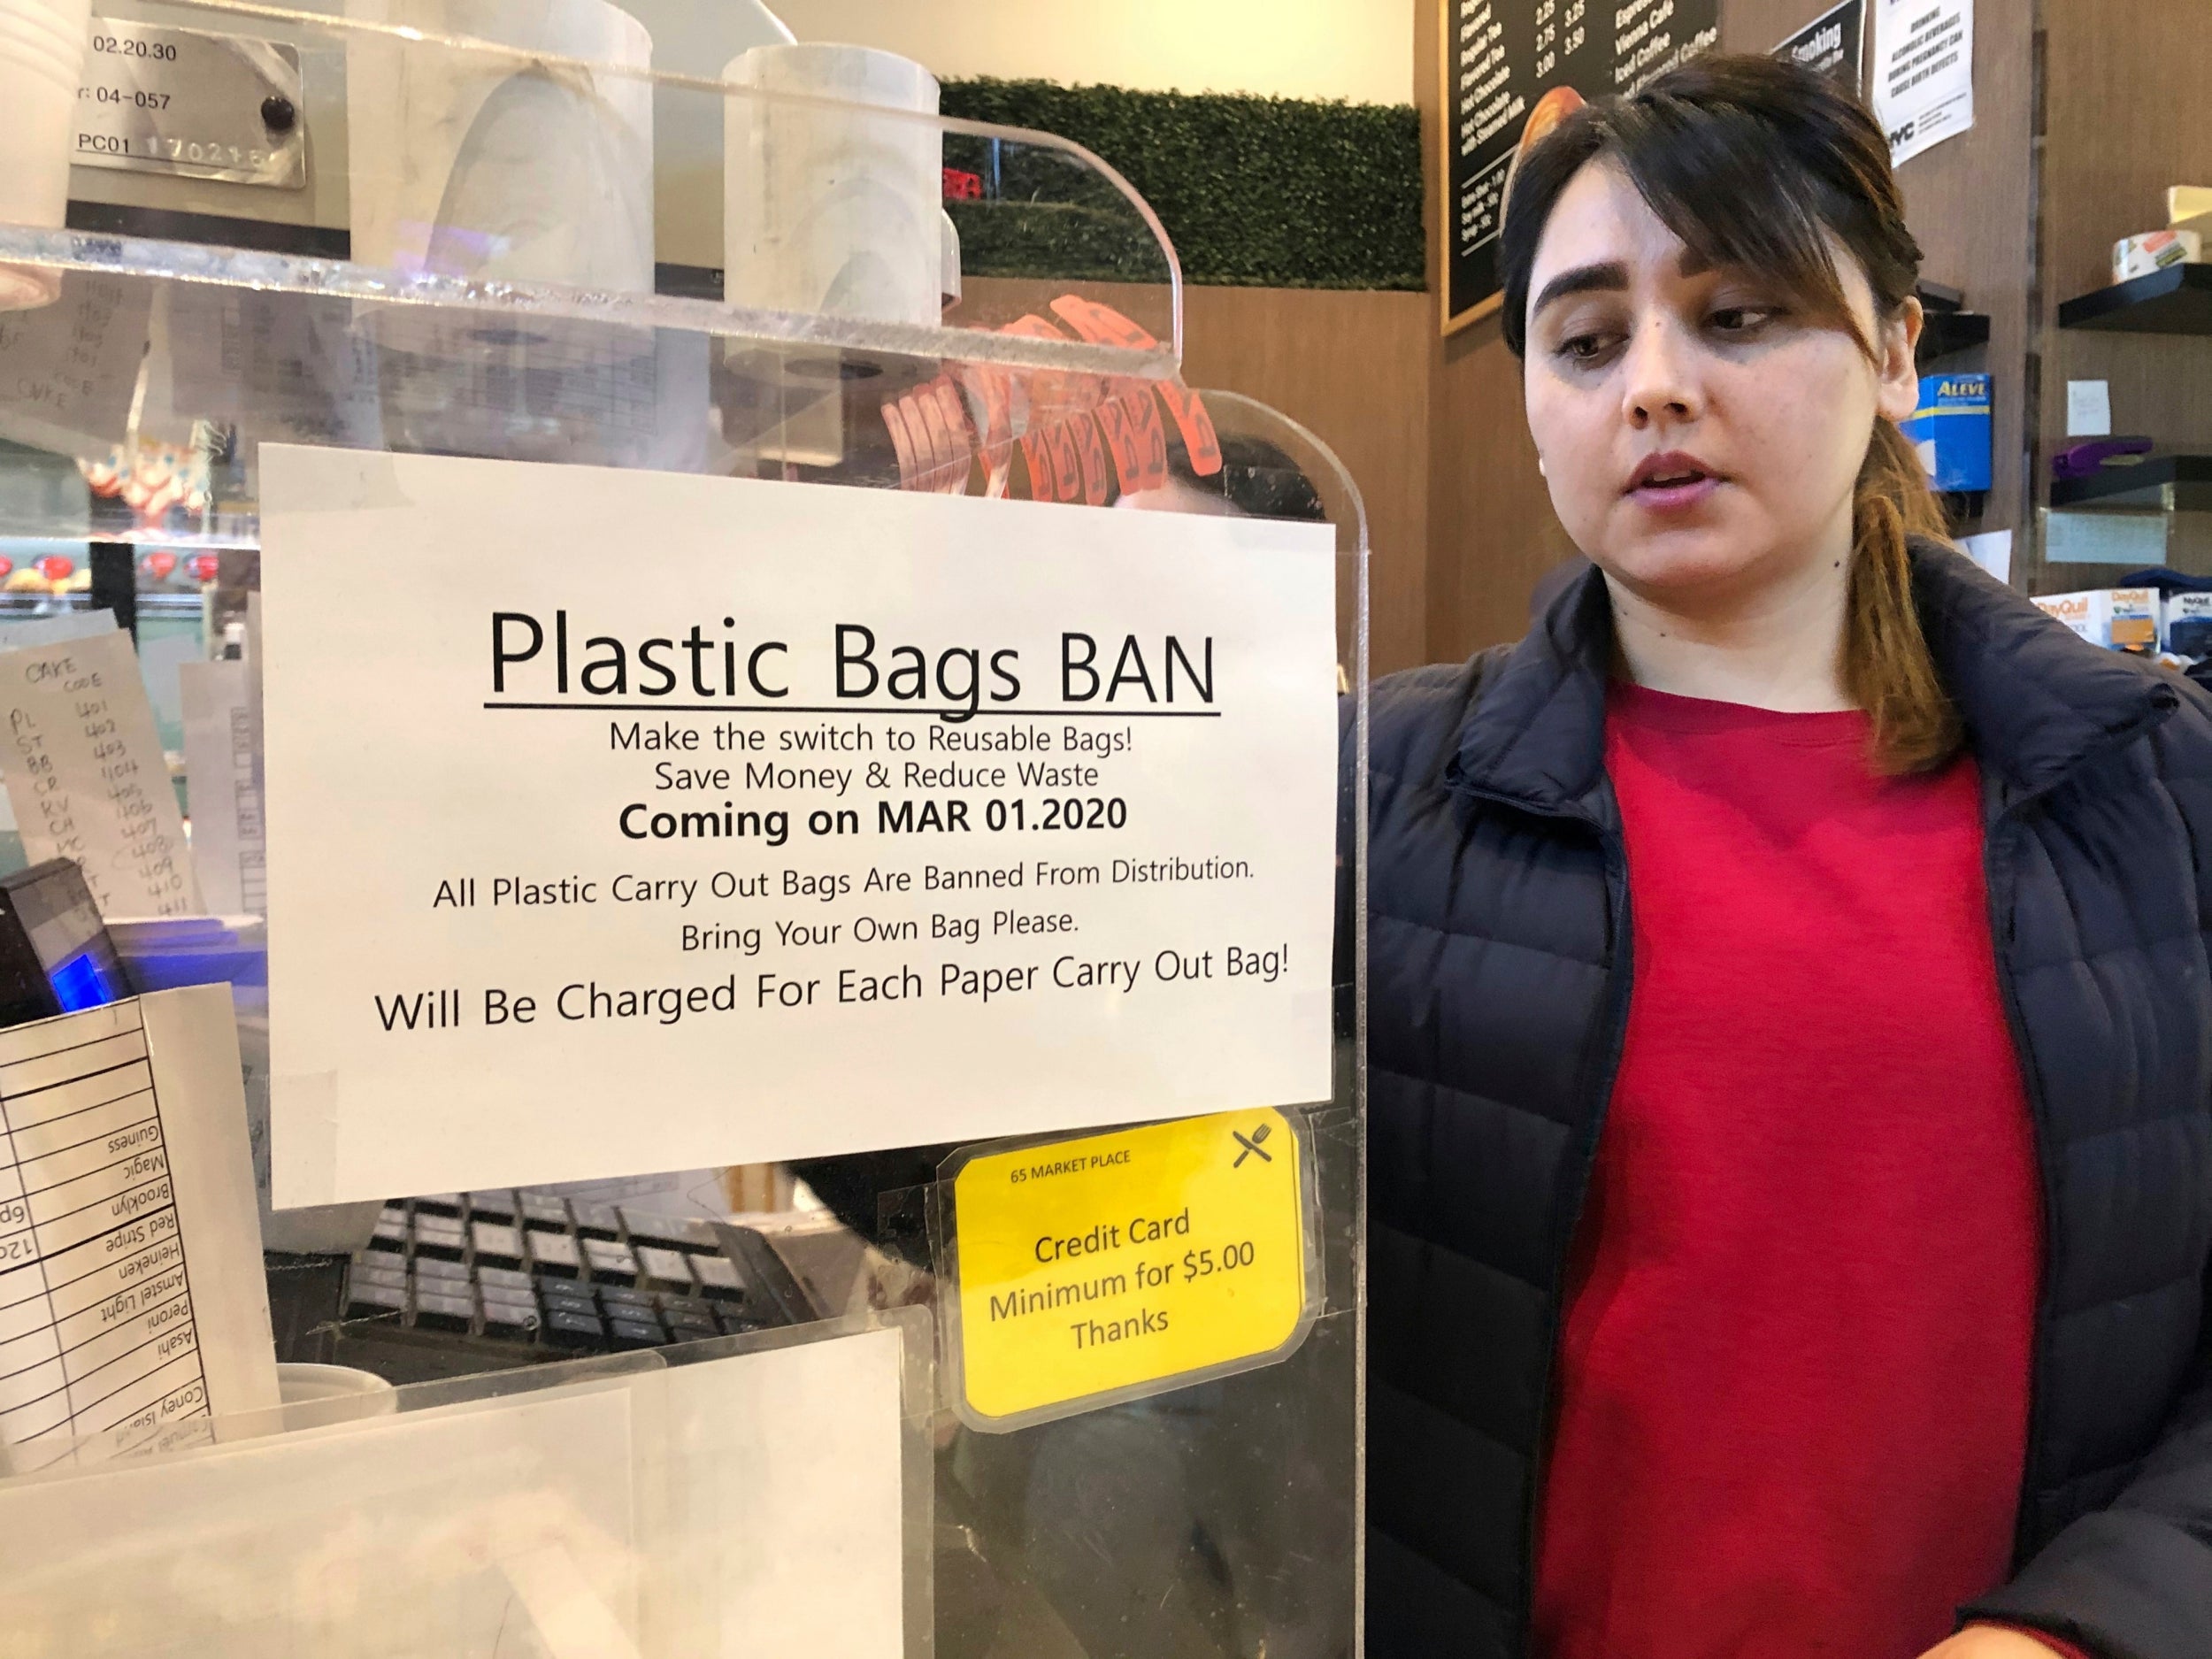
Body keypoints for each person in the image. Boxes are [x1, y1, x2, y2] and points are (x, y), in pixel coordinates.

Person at [1363, 56, 2212, 1659]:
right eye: (1588, 340)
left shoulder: (2154, 789)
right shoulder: (1380, 796)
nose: (1654, 389)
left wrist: (2086, 1631)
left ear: (1897, 350)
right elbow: (1029, 1185)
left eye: (1738, 316)